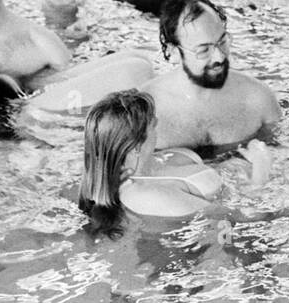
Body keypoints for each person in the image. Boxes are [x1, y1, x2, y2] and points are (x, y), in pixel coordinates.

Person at [78, 89, 271, 235]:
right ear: (136, 144)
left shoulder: (152, 161)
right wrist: (262, 166)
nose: (158, 122)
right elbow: (244, 217)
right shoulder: (148, 196)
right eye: (152, 124)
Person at [144, 0, 283, 151]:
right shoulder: (145, 112)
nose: (219, 56)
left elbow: (285, 156)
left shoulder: (258, 99)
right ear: (173, 52)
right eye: (203, 50)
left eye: (222, 42)